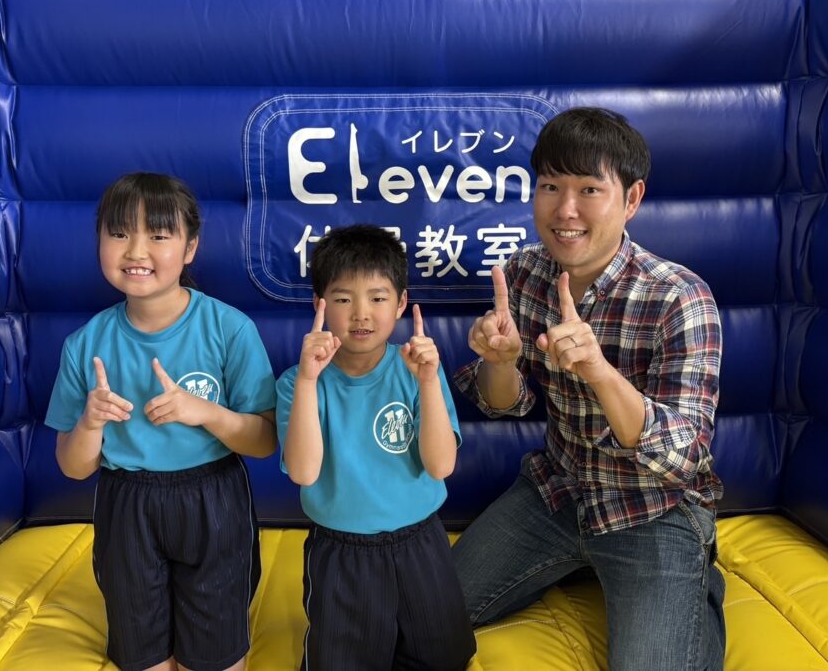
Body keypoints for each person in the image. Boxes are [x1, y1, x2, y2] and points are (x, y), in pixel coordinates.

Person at [452, 107, 726, 670]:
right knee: (425, 614)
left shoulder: (679, 297)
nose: (565, 210)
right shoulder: (524, 273)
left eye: (589, 189)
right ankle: (581, 564)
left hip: (653, 511)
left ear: (631, 198)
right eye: (550, 186)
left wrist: (599, 371)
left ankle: (693, 581)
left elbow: (683, 458)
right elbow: (505, 404)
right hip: (556, 492)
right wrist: (501, 362)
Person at [45, 172, 277, 671]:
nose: (136, 250)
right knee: (144, 658)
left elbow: (264, 441)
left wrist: (206, 412)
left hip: (212, 500)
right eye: (119, 233)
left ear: (190, 247)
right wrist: (90, 423)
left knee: (213, 658)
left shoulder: (230, 328)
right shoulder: (84, 344)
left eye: (158, 234)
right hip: (127, 504)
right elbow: (73, 467)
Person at [276, 224, 476, 670]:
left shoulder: (417, 369)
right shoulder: (296, 383)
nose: (361, 314)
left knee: (442, 657)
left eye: (378, 298)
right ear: (320, 304)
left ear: (401, 303)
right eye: (343, 299)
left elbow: (441, 465)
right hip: (342, 552)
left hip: (421, 542)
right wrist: (307, 380)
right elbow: (304, 472)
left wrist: (428, 382)